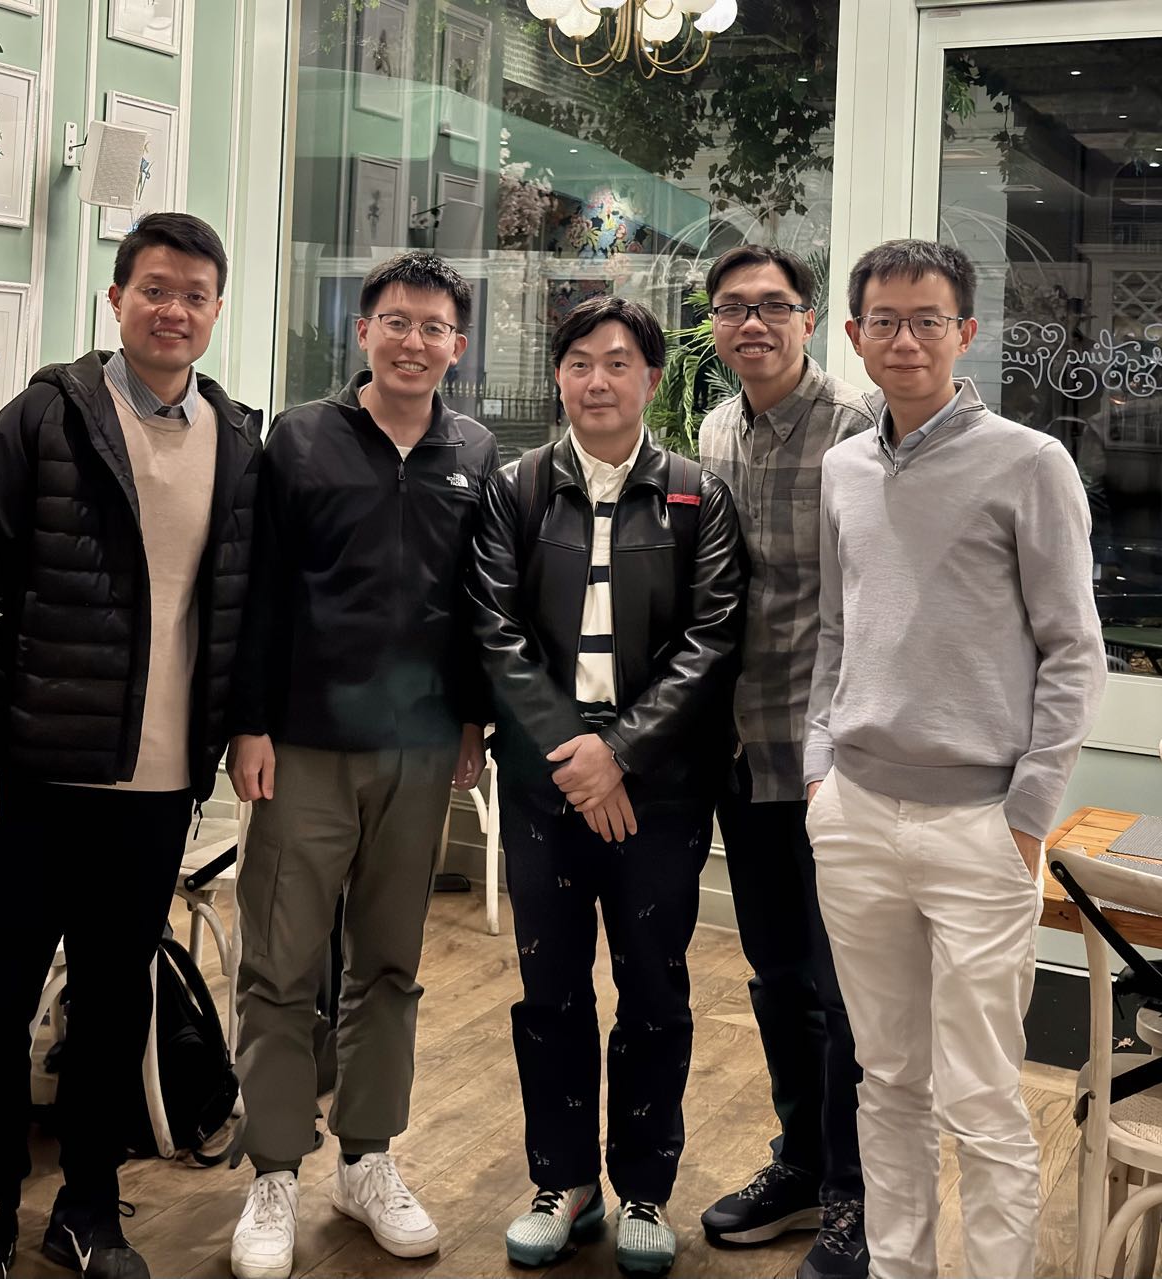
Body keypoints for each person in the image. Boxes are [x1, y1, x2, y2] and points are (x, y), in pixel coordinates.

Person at [0, 212, 260, 1279]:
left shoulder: (237, 438)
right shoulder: (42, 418)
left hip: (158, 782)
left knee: (115, 1002)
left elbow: (245, 606)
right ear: (117, 299)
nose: (174, 310)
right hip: (31, 773)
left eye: (195, 294)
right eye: (155, 288)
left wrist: (245, 725)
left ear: (215, 310)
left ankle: (88, 1206)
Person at [803, 238, 1106, 1279]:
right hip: (854, 812)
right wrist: (818, 767)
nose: (905, 340)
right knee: (885, 1077)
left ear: (964, 331)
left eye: (927, 320)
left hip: (980, 824)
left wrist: (1027, 812)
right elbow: (834, 629)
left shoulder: (1028, 462)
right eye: (884, 321)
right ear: (854, 335)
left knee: (980, 1092)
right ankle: (898, 1266)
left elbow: (1073, 650)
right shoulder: (842, 467)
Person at [225, 251, 498, 1279]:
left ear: (456, 346)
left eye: (432, 327)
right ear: (362, 331)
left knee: (389, 965)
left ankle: (368, 1158)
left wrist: (471, 720)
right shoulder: (299, 439)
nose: (412, 341)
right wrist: (249, 724)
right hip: (302, 744)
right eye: (395, 321)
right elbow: (256, 591)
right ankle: (272, 1171)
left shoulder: (475, 451)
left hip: (420, 750)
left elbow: (479, 605)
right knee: (281, 965)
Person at [467, 295, 746, 1277]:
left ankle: (644, 1189)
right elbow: (494, 631)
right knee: (548, 989)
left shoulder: (696, 496)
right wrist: (575, 756)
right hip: (545, 781)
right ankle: (563, 1182)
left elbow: (711, 639)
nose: (597, 380)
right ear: (557, 375)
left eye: (618, 362)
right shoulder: (513, 490)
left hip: (656, 786)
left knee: (654, 990)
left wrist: (617, 754)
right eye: (580, 361)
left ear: (651, 379)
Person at [695, 245, 876, 1279]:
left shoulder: (856, 424)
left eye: (772, 305)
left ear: (808, 319)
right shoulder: (716, 428)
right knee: (776, 974)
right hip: (741, 745)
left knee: (844, 985)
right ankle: (800, 1162)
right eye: (732, 307)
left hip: (831, 754)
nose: (751, 323)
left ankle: (855, 1194)